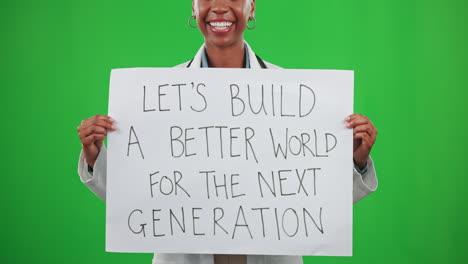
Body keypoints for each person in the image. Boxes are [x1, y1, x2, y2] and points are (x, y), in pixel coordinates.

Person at [77, 1, 378, 264]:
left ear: (252, 7)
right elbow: (135, 201)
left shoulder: (297, 99)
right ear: (193, 9)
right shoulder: (154, 101)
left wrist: (356, 161)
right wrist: (95, 156)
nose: (219, 6)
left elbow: (317, 204)